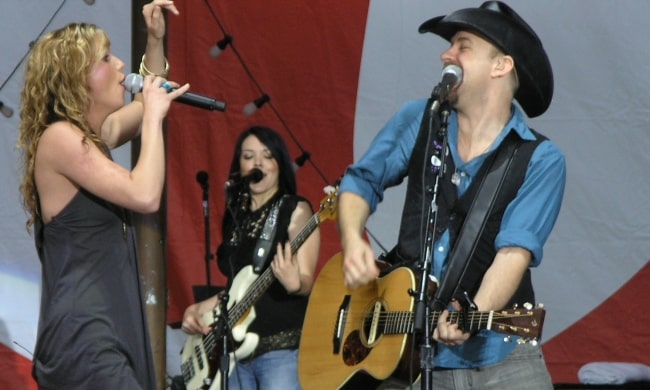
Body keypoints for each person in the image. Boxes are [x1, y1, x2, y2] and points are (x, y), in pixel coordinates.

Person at [337, 2, 565, 389]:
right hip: (411, 357)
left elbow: (513, 255)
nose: (447, 54)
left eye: (463, 45)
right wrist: (350, 240)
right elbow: (360, 181)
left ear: (501, 65)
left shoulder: (540, 159)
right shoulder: (419, 119)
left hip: (503, 358)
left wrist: (474, 311)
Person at [17, 1, 186, 389]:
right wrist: (156, 120)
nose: (121, 65)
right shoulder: (60, 139)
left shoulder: (95, 139)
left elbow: (147, 98)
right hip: (85, 334)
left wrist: (156, 41)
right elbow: (145, 195)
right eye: (106, 57)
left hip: (109, 327)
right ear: (76, 78)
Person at [181, 126, 321, 390]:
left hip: (280, 348)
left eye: (267, 156)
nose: (257, 163)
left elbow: (306, 279)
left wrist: (296, 284)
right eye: (248, 156)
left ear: (279, 165)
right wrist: (196, 309)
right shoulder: (236, 218)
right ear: (240, 168)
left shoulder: (295, 209)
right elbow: (236, 287)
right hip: (234, 353)